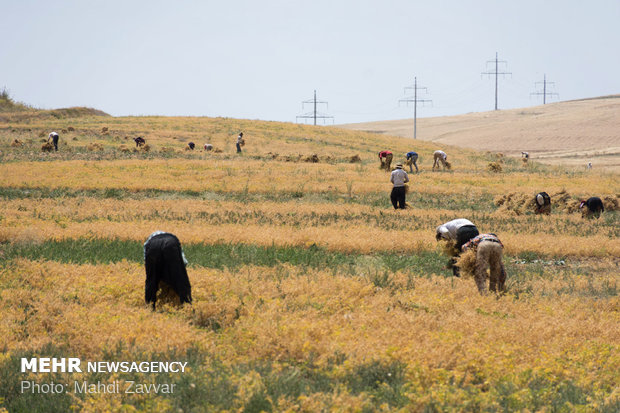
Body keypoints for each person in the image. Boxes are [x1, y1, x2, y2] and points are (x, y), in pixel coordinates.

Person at [143, 231, 192, 310]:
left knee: (151, 281)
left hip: (152, 246)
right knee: (181, 280)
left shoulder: (148, 242)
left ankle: (150, 307)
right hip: (170, 243)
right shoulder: (172, 238)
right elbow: (184, 262)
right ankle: (187, 306)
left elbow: (148, 265)